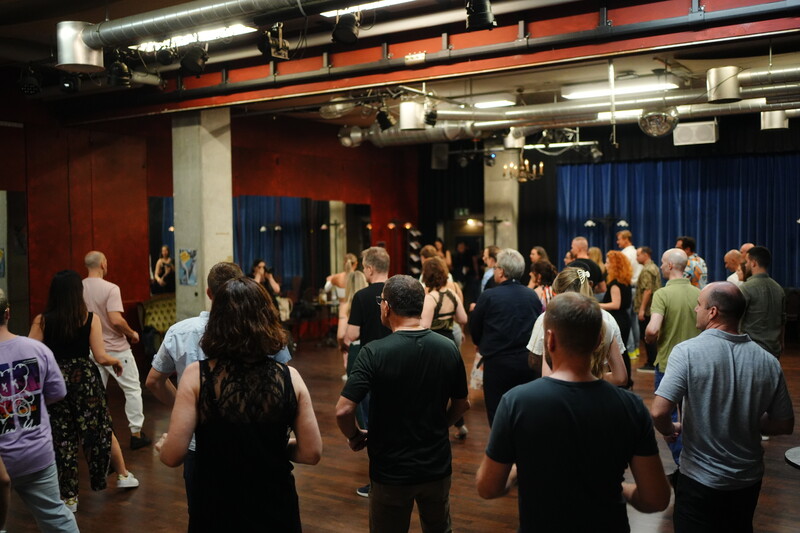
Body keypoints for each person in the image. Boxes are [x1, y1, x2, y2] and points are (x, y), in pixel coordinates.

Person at [477, 293, 670, 532]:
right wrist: (620, 489)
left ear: (550, 340)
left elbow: (488, 488)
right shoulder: (631, 407)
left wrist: (519, 471)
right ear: (598, 341)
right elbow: (655, 499)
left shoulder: (517, 402)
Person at [159, 277, 322, 533]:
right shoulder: (290, 378)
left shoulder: (196, 376)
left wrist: (163, 445)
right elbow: (311, 453)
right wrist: (270, 444)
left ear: (217, 322)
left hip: (217, 506)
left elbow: (172, 456)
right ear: (267, 319)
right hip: (274, 505)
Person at [146, 262, 292, 512]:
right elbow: (283, 383)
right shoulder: (264, 333)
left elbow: (153, 381)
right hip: (259, 439)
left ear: (210, 293)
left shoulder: (181, 332)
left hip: (202, 446)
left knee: (207, 514)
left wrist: (187, 410)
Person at [651, 282, 794, 532]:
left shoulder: (686, 352)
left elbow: (659, 411)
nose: (695, 309)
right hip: (746, 481)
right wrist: (749, 418)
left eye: (699, 305)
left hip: (698, 479)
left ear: (713, 312)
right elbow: (784, 423)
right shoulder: (768, 361)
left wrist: (669, 429)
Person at [336, 275, 470, 533]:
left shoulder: (373, 352)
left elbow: (343, 409)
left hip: (390, 470)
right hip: (436, 466)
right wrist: (440, 425)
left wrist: (354, 435)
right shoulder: (447, 348)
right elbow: (462, 404)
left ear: (387, 307)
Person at [29, 270, 138, 513]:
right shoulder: (89, 319)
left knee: (63, 437)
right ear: (78, 293)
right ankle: (116, 476)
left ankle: (69, 497)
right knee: (99, 430)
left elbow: (31, 354)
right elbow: (100, 356)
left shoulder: (42, 321)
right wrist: (115, 361)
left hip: (54, 381)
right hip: (85, 382)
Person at [0, 292, 79, 532]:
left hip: (4, 458)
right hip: (36, 453)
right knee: (56, 517)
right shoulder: (36, 349)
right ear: (8, 313)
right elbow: (57, 392)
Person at [83, 251, 150, 450]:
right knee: (132, 389)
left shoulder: (79, 288)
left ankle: (94, 434)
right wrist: (132, 333)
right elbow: (116, 319)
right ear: (103, 264)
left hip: (93, 349)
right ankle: (136, 434)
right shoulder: (111, 288)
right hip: (117, 350)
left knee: (96, 393)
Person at [469, 248, 542, 425]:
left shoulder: (489, 296)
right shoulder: (531, 295)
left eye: (495, 268)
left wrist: (479, 343)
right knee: (524, 410)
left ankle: (501, 442)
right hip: (527, 362)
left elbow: (475, 326)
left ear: (501, 271)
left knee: (497, 411)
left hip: (497, 362)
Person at [342, 246, 392, 497]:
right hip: (400, 359)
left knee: (374, 422)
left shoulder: (361, 296)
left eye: (364, 266)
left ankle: (380, 481)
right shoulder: (399, 291)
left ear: (370, 269)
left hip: (373, 363)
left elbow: (352, 335)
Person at [645, 248, 701, 466]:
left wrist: (649, 339)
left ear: (669, 265)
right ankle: (694, 458)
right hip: (696, 363)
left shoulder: (662, 294)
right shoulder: (699, 293)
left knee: (669, 417)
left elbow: (652, 329)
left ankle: (681, 461)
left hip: (668, 363)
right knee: (693, 414)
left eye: (662, 262)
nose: (660, 266)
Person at [528, 267, 628, 387]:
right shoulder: (607, 320)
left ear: (559, 293)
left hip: (560, 392)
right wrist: (592, 377)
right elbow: (621, 378)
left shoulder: (547, 319)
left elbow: (542, 370)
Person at [420, 256, 469, 439]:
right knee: (451, 385)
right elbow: (463, 319)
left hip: (434, 345)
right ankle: (458, 423)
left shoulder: (430, 298)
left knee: (433, 388)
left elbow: (424, 327)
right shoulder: (452, 294)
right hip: (450, 342)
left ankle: (433, 425)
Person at [740, 246, 786, 358]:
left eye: (747, 262)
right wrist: (781, 343)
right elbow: (782, 321)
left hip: (750, 351)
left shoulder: (745, 288)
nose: (745, 265)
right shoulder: (779, 289)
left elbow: (737, 320)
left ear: (753, 263)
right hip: (774, 350)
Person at [599, 250, 634, 387]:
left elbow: (615, 304)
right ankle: (627, 380)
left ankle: (623, 381)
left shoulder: (614, 283)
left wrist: (596, 304)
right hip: (624, 318)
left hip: (618, 319)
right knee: (623, 351)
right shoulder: (625, 282)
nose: (605, 265)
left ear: (614, 265)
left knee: (619, 352)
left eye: (607, 262)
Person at [635, 246, 661, 373]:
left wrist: (641, 309)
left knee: (648, 337)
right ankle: (652, 361)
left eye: (638, 255)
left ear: (645, 255)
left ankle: (651, 363)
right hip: (652, 307)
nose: (636, 258)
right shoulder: (654, 267)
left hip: (647, 309)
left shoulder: (647, 270)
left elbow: (648, 290)